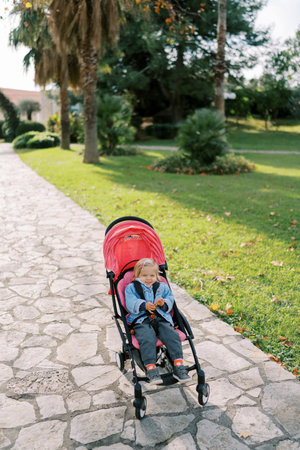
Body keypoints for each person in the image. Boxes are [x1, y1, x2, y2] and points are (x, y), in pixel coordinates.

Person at [125, 258, 191, 384]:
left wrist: (164, 303)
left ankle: (178, 365)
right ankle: (151, 369)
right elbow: (130, 302)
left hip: (161, 318)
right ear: (137, 275)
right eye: (144, 275)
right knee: (147, 338)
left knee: (172, 335)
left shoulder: (162, 287)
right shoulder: (131, 288)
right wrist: (143, 305)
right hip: (141, 320)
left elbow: (170, 299)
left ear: (157, 275)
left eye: (152, 275)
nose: (148, 278)